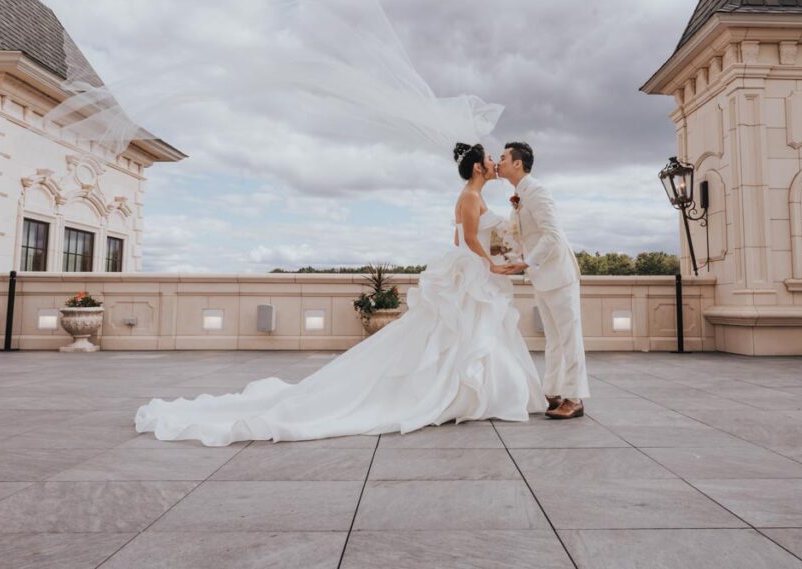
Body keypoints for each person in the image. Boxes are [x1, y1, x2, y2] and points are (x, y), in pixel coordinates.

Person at [135, 142, 546, 445]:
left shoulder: (471, 195)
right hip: (472, 272)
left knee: (462, 336)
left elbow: (464, 239)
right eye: (491, 159)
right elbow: (471, 240)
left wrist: (496, 254)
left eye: (499, 159)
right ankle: (461, 394)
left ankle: (471, 393)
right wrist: (492, 264)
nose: (495, 163)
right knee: (459, 335)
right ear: (479, 167)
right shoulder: (471, 197)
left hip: (468, 273)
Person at [498, 141, 590, 419]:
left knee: (569, 337)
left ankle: (574, 399)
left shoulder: (537, 192)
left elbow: (552, 234)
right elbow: (519, 237)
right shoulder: (519, 196)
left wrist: (526, 262)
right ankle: (552, 392)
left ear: (517, 163)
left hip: (559, 275)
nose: (498, 162)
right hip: (542, 277)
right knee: (553, 339)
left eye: (503, 157)